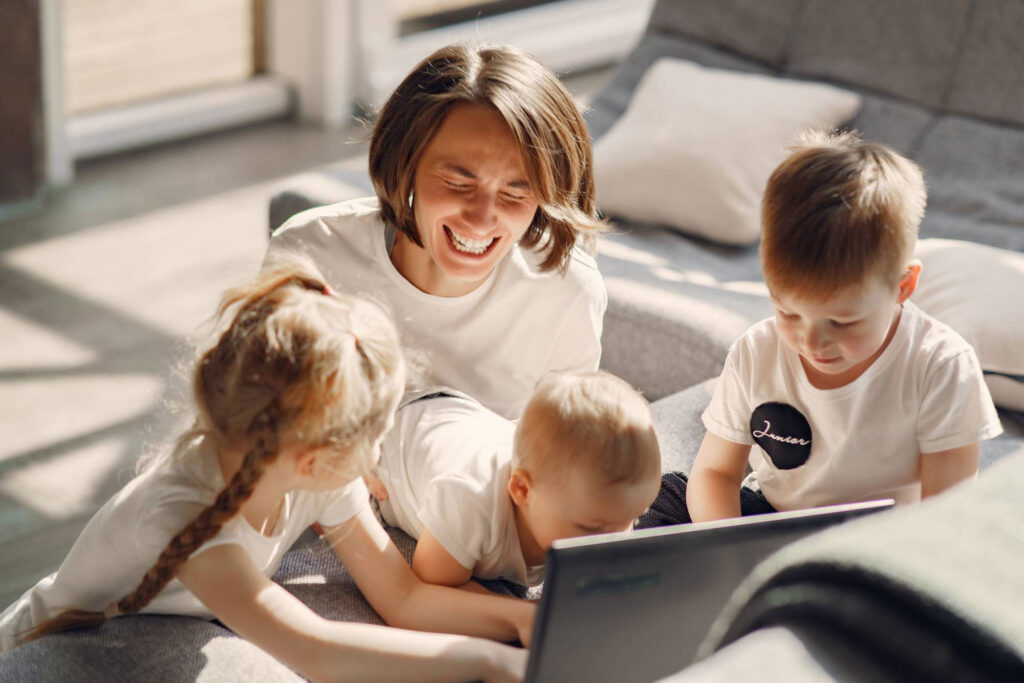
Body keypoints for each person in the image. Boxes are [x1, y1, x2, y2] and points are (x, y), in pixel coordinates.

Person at [0, 260, 530, 682]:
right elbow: (317, 652)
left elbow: (402, 597)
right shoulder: (183, 517)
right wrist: (488, 662)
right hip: (39, 647)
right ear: (314, 458)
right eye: (377, 434)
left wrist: (520, 620)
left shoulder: (314, 471)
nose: (381, 451)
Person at [639, 130, 1002, 528]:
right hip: (772, 521)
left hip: (879, 538)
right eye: (788, 312)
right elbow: (717, 474)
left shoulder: (941, 365)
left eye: (842, 322)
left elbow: (944, 514)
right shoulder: (756, 350)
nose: (810, 341)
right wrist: (727, 546)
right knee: (659, 497)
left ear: (903, 286)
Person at [265, 42, 607, 420]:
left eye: (515, 192)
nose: (481, 219)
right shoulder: (311, 255)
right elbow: (251, 426)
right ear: (405, 162)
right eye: (458, 183)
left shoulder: (567, 293)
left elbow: (560, 463)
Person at [373, 371, 662, 588]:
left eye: (633, 519)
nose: (613, 542)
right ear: (522, 490)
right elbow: (433, 585)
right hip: (386, 432)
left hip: (465, 422)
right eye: (591, 527)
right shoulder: (470, 501)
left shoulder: (579, 505)